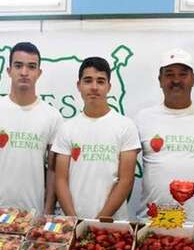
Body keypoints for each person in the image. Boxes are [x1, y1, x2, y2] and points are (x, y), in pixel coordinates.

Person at [134, 48, 194, 226]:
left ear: (193, 79)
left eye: (183, 74)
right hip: (153, 220)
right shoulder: (142, 118)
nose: (176, 80)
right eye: (169, 74)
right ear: (160, 80)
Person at [0, 42, 62, 220]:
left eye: (31, 67)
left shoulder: (52, 117)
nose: (24, 72)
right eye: (18, 65)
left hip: (33, 216)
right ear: (9, 70)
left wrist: (48, 212)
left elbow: (53, 170)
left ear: (39, 73)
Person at [53, 57, 140, 220]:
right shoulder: (66, 128)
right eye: (88, 81)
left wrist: (100, 221)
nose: (94, 87)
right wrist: (75, 221)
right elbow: (60, 180)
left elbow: (126, 180)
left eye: (100, 81)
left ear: (109, 87)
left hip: (112, 225)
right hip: (74, 222)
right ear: (78, 85)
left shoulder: (126, 126)